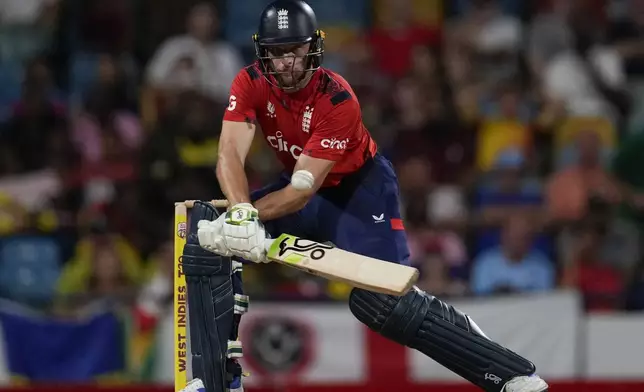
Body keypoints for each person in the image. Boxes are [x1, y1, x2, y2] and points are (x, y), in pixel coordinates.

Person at [186, 1, 549, 392]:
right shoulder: (249, 80)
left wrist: (250, 218)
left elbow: (302, 189)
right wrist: (240, 214)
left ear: (313, 48)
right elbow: (229, 154)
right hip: (299, 185)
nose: (286, 62)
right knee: (207, 236)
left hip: (358, 191)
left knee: (381, 303)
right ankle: (215, 382)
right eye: (276, 52)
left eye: (294, 50)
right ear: (262, 52)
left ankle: (511, 374)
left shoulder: (337, 97)